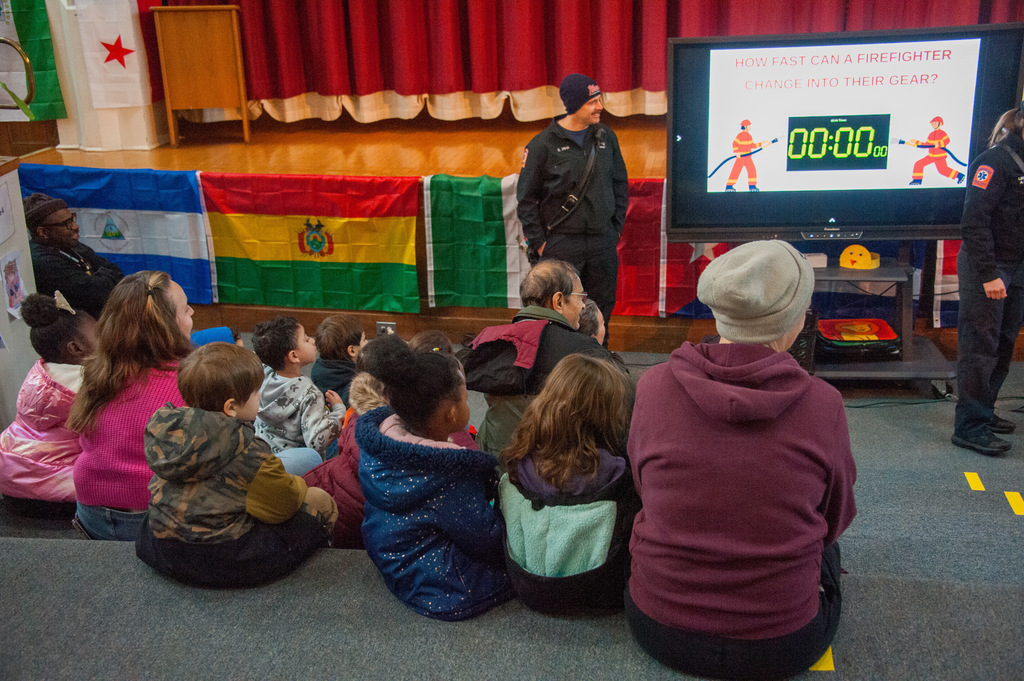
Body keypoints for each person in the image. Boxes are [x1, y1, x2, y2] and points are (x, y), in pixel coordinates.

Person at [626, 240, 857, 681]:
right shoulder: (824, 405)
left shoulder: (653, 385)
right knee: (829, 551)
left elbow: (643, 488)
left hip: (656, 625)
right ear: (794, 323)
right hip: (783, 644)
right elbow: (835, 517)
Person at [135, 342, 338, 587]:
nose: (260, 396)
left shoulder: (166, 428)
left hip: (160, 546)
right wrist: (296, 484)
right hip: (222, 559)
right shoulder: (247, 450)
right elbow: (285, 505)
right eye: (256, 392)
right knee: (318, 499)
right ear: (230, 407)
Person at [356, 334, 512, 621]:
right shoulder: (450, 476)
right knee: (518, 570)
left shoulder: (380, 444)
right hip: (441, 586)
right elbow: (489, 540)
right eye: (466, 398)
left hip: (389, 552)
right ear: (451, 414)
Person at [498, 353, 638, 615]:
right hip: (595, 596)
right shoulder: (614, 471)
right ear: (604, 416)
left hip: (526, 588)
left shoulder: (520, 462)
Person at [68, 271, 194, 541]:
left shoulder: (98, 369)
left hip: (90, 512)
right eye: (186, 309)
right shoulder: (188, 379)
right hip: (152, 516)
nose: (192, 311)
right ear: (169, 325)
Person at [462, 260, 622, 456]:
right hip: (553, 468)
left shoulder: (489, 339)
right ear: (559, 302)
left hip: (495, 459)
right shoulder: (585, 351)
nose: (583, 306)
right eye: (581, 297)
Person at [517, 73, 628, 345]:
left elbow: (620, 186)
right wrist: (542, 244)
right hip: (562, 244)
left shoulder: (606, 138)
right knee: (558, 311)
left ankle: (599, 360)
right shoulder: (542, 145)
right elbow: (526, 200)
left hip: (602, 241)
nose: (599, 107)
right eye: (592, 102)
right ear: (574, 105)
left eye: (599, 100)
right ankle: (559, 365)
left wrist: (614, 230)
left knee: (602, 308)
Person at [952, 107, 1024, 456]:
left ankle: (985, 410)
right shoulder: (993, 162)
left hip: (1018, 267)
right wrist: (989, 274)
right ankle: (970, 427)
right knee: (980, 349)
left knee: (1004, 346)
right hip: (989, 268)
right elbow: (973, 223)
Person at [0, 292, 97, 517]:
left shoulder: (39, 372)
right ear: (75, 348)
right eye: (100, 334)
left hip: (9, 478)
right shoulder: (89, 385)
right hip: (55, 492)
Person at [252, 316, 344, 470]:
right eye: (307, 339)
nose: (313, 341)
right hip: (296, 464)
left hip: (263, 454)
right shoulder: (309, 393)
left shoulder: (260, 373)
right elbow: (316, 441)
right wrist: (339, 411)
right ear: (294, 356)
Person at [24, 193, 123, 320]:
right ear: (43, 232)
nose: (75, 227)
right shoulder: (43, 261)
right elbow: (100, 293)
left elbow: (118, 274)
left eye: (72, 219)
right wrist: (102, 276)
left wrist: (100, 278)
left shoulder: (68, 244)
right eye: (66, 224)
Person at [310, 314, 366, 407]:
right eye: (364, 340)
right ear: (352, 350)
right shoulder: (356, 385)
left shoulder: (318, 368)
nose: (367, 343)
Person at [908, 116, 966, 185]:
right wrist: (916, 142)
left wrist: (939, 144)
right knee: (918, 164)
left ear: (940, 124)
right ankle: (917, 180)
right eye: (932, 124)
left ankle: (959, 175)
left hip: (939, 157)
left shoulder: (942, 133)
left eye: (935, 123)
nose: (934, 125)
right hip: (930, 156)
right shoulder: (931, 134)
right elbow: (926, 145)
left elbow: (947, 140)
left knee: (943, 171)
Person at [725, 119, 774, 192]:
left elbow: (752, 145)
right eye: (749, 125)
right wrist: (737, 152)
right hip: (741, 157)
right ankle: (729, 186)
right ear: (745, 126)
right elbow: (734, 143)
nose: (750, 127)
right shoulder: (740, 135)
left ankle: (752, 186)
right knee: (736, 171)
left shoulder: (749, 136)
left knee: (752, 170)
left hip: (748, 157)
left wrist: (761, 143)